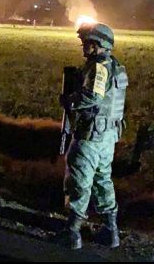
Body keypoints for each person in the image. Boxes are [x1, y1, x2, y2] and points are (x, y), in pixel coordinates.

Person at [57, 22, 128, 250]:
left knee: (79, 180)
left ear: (98, 45)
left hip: (91, 136)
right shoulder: (117, 67)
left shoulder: (98, 67)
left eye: (86, 42)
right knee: (103, 180)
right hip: (108, 137)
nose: (82, 46)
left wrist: (70, 101)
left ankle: (72, 234)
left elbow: (93, 97)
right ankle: (111, 231)